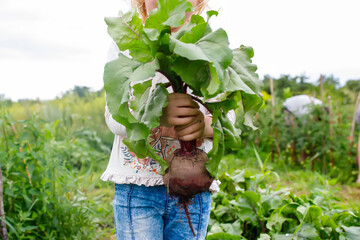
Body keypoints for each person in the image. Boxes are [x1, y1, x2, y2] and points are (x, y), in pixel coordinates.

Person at [100, 0, 233, 239]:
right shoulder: (129, 43)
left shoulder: (212, 43)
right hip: (137, 187)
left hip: (193, 187)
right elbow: (114, 118)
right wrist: (157, 115)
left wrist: (202, 125)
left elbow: (230, 120)